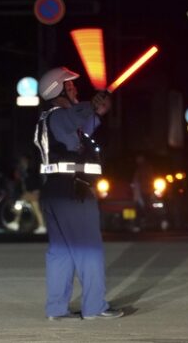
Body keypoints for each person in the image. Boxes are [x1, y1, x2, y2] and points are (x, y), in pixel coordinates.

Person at [33, 66, 123, 321]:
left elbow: (80, 128)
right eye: (70, 85)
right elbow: (76, 117)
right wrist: (90, 106)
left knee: (60, 253)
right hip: (74, 191)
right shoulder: (61, 115)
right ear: (57, 90)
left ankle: (57, 309)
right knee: (88, 249)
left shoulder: (50, 118)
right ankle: (95, 307)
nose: (75, 88)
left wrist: (97, 111)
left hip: (54, 190)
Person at [12, 154, 46, 234]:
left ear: (27, 161)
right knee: (35, 210)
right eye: (21, 161)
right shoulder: (24, 171)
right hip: (30, 193)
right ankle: (41, 226)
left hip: (32, 193)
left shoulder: (31, 171)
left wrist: (36, 190)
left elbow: (35, 182)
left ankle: (15, 222)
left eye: (23, 161)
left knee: (22, 205)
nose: (22, 162)